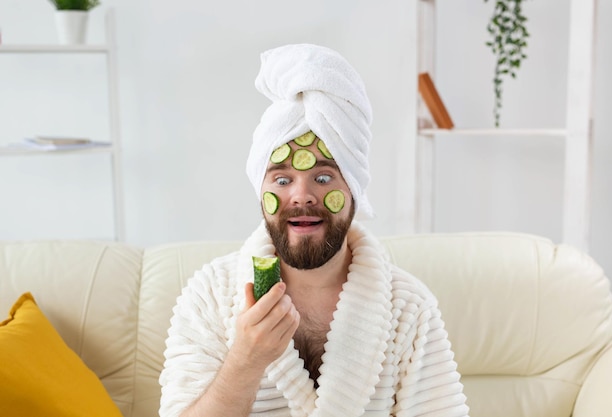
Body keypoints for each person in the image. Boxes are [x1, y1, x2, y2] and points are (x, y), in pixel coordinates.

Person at [159, 43, 470, 417]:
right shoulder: (211, 295)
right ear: (261, 191)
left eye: (323, 177)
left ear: (353, 189)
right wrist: (245, 361)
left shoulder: (408, 309)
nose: (301, 196)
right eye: (283, 179)